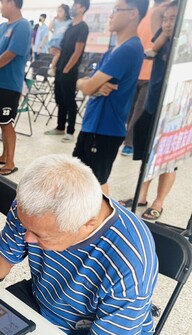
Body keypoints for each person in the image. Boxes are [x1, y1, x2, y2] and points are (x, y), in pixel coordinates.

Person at [0, 154, 158, 335]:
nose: (27, 239)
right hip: (43, 296)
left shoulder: (130, 262)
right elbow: (3, 254)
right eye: (26, 228)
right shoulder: (32, 210)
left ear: (87, 225)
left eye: (40, 236)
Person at [72, 0, 148, 195]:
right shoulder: (113, 50)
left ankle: (107, 223)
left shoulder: (128, 49)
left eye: (116, 10)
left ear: (133, 13)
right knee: (80, 180)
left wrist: (89, 85)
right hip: (94, 125)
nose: (111, 15)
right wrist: (91, 86)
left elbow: (87, 85)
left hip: (105, 129)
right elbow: (87, 83)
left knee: (96, 184)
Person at [119, 1, 178, 221]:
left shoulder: (185, 44)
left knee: (169, 159)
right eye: (166, 19)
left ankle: (159, 201)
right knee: (148, 153)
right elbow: (151, 48)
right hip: (153, 103)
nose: (168, 23)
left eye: (173, 18)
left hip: (175, 111)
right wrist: (166, 25)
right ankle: (141, 195)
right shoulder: (162, 41)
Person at [0, 0, 32, 176]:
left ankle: (10, 162)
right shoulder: (1, 26)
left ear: (12, 3)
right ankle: (4, 155)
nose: (1, 6)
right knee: (2, 122)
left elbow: (11, 53)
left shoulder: (23, 26)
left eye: (3, 2)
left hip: (9, 84)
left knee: (7, 122)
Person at [121, 0, 168, 157]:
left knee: (132, 109)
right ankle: (129, 143)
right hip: (147, 71)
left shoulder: (146, 13)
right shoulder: (163, 13)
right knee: (137, 110)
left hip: (139, 69)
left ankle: (126, 140)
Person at [44, 0, 89, 143]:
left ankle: (70, 131)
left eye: (76, 5)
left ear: (82, 8)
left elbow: (77, 52)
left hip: (69, 70)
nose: (73, 7)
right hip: (60, 67)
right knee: (59, 98)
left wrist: (67, 69)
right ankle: (60, 127)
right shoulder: (69, 26)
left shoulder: (83, 27)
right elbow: (61, 47)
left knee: (69, 100)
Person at [47, 4, 72, 75]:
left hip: (65, 43)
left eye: (60, 11)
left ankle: (53, 68)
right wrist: (53, 19)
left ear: (66, 13)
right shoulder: (56, 21)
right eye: (57, 11)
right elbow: (49, 28)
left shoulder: (69, 21)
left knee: (60, 56)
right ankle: (52, 68)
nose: (58, 13)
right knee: (57, 54)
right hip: (56, 41)